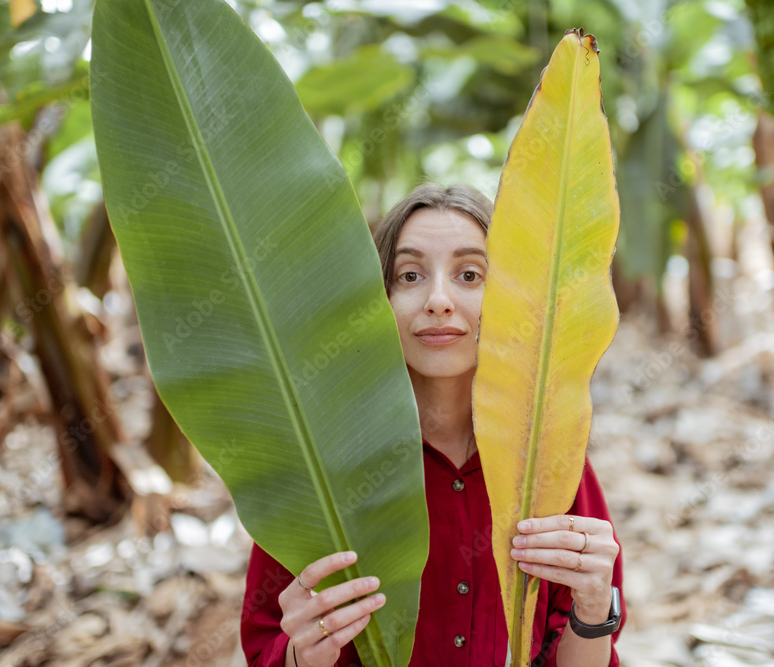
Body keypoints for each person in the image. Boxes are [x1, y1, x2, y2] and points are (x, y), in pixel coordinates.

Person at [240, 183, 624, 667]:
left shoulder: (550, 461)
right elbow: (266, 648)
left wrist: (593, 609)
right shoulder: (319, 469)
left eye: (469, 274)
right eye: (410, 275)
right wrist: (302, 654)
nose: (439, 300)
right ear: (378, 298)